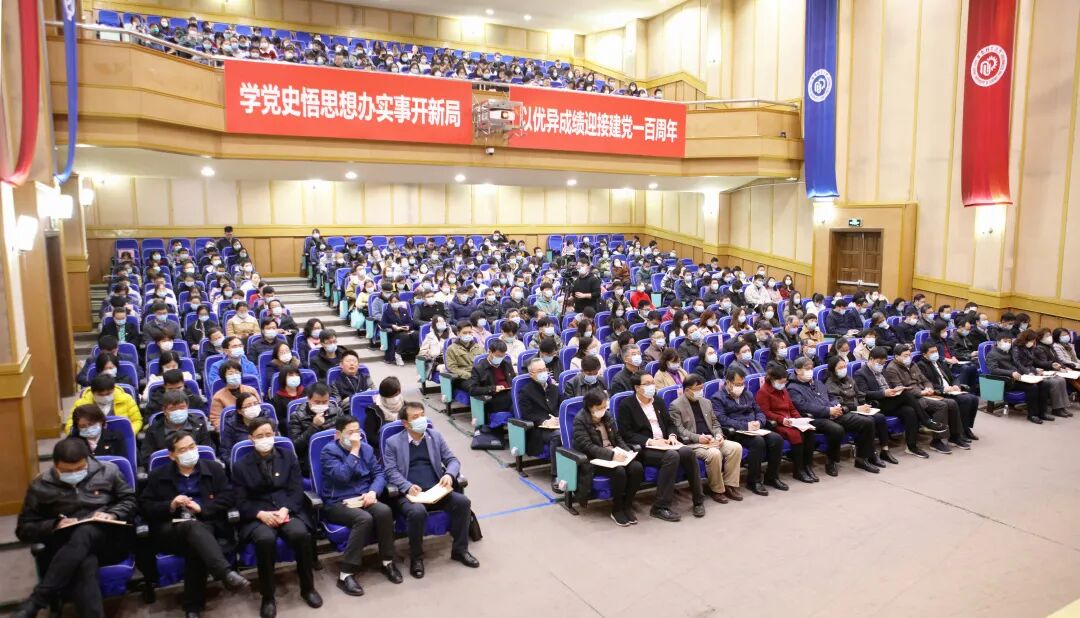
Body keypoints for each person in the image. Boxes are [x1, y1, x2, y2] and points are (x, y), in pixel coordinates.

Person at [13, 439, 137, 618]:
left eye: (79, 469)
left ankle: (37, 600)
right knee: (84, 562)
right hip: (66, 546)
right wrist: (54, 524)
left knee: (86, 531)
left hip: (108, 540)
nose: (74, 474)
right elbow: (24, 529)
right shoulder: (40, 486)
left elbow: (130, 501)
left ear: (87, 460)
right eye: (67, 471)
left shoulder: (108, 471)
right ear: (55, 465)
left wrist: (113, 514)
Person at [139, 432, 250, 616]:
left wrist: (202, 508)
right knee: (192, 528)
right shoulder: (158, 475)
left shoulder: (213, 468)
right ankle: (224, 573)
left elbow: (228, 497)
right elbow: (145, 506)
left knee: (196, 546)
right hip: (171, 530)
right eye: (183, 450)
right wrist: (171, 505)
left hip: (208, 526)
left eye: (192, 447)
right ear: (172, 455)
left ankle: (193, 608)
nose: (189, 452)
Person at [232, 419, 322, 616]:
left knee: (300, 534)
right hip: (258, 514)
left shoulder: (288, 456)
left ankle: (308, 588)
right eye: (259, 436)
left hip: (285, 509)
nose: (265, 439)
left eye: (268, 434)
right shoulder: (241, 466)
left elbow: (296, 489)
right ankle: (268, 596)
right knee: (265, 540)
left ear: (274, 434)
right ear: (251, 438)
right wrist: (260, 514)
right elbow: (240, 500)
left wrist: (285, 509)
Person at [384, 402, 478, 576]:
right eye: (415, 417)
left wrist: (449, 475)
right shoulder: (393, 443)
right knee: (417, 512)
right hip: (411, 495)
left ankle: (460, 550)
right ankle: (416, 558)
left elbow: (452, 460)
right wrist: (407, 486)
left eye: (422, 415)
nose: (421, 420)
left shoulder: (434, 436)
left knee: (463, 502)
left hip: (436, 490)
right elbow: (390, 471)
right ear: (405, 423)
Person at [318, 416, 402, 596]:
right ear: (338, 434)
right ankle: (345, 574)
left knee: (384, 511)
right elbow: (341, 477)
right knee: (363, 519)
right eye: (350, 432)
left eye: (357, 431)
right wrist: (354, 451)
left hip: (363, 497)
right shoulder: (329, 451)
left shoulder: (367, 448)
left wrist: (373, 492)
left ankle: (387, 561)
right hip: (338, 502)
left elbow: (379, 474)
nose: (356, 436)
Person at [616, 373, 706, 521]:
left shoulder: (658, 401)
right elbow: (626, 434)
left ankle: (698, 500)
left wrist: (672, 436)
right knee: (672, 456)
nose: (652, 386)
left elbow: (670, 424)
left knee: (688, 452)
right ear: (637, 387)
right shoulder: (627, 405)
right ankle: (660, 507)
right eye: (647, 383)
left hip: (666, 443)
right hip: (645, 448)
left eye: (653, 382)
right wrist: (651, 441)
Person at [787, 357, 881, 475]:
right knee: (837, 429)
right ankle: (831, 461)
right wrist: (828, 411)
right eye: (807, 369)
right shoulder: (793, 388)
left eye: (811, 368)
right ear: (797, 370)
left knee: (867, 422)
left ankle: (862, 459)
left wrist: (836, 406)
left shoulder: (817, 382)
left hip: (833, 413)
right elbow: (804, 407)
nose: (810, 371)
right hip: (814, 418)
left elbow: (831, 397)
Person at [668, 375, 743, 502]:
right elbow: (679, 430)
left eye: (702, 388)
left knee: (736, 447)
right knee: (714, 454)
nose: (700, 391)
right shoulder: (675, 405)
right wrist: (698, 438)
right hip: (693, 443)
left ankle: (730, 485)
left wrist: (718, 435)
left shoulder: (706, 402)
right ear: (687, 390)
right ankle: (717, 490)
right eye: (697, 389)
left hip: (712, 439)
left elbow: (715, 423)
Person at [883, 344, 963, 451]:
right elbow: (901, 389)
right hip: (913, 398)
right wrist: (921, 392)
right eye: (905, 355)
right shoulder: (892, 369)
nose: (908, 357)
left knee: (952, 403)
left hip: (925, 393)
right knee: (941, 405)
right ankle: (936, 441)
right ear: (897, 356)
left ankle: (955, 436)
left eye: (909, 355)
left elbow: (925, 380)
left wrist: (929, 388)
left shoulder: (913, 364)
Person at [854, 348, 926, 458]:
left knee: (909, 411)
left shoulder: (883, 370)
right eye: (879, 363)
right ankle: (926, 420)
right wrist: (883, 393)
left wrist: (896, 389)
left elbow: (890, 386)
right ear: (871, 359)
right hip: (877, 403)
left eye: (883, 363)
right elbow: (864, 393)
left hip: (890, 401)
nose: (881, 365)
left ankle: (912, 446)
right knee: (907, 395)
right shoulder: (860, 373)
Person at [825, 355, 899, 464]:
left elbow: (859, 394)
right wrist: (857, 408)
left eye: (844, 366)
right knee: (869, 421)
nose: (843, 369)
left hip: (858, 408)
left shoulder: (849, 379)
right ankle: (870, 454)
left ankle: (885, 450)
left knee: (880, 417)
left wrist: (865, 405)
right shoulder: (830, 384)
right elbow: (838, 403)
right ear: (833, 369)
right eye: (840, 367)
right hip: (846, 411)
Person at [755, 364, 818, 483]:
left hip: (790, 421)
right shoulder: (763, 392)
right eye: (781, 382)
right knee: (796, 434)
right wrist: (781, 420)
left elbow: (791, 408)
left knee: (808, 430)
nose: (783, 384)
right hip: (777, 424)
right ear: (773, 379)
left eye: (785, 382)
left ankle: (807, 466)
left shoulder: (783, 390)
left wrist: (799, 419)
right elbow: (765, 413)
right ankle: (798, 470)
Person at [917, 342, 981, 442]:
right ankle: (960, 431)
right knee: (966, 400)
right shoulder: (921, 365)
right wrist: (943, 388)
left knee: (974, 398)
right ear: (925, 354)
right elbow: (927, 383)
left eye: (936, 351)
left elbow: (953, 377)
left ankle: (966, 428)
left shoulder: (940, 362)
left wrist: (956, 385)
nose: (935, 353)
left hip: (951, 390)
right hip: (939, 392)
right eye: (932, 352)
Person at [140, 390, 212, 467]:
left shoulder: (199, 425)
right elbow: (147, 459)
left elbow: (207, 452)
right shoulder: (153, 430)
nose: (178, 411)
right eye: (172, 409)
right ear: (164, 410)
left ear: (187, 406)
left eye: (181, 407)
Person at [288, 383, 347, 474]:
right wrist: (314, 426)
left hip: (336, 454)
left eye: (325, 402)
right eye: (317, 402)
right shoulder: (297, 416)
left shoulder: (337, 411)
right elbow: (295, 446)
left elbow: (345, 434)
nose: (321, 405)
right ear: (308, 399)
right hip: (310, 458)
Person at [1013, 330, 1071, 420]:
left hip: (1032, 372)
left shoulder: (1031, 348)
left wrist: (1036, 370)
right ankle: (1034, 414)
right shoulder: (1016, 348)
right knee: (1037, 386)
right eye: (1032, 340)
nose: (1033, 343)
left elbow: (1032, 363)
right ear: (1025, 339)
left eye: (1034, 341)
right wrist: (1030, 371)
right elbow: (1018, 364)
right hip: (1022, 374)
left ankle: (1043, 412)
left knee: (1048, 383)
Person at [517, 357, 563, 460]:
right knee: (559, 435)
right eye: (539, 371)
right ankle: (556, 469)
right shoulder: (525, 391)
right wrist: (544, 422)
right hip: (539, 429)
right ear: (531, 374)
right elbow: (526, 414)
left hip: (557, 424)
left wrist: (560, 418)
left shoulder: (554, 388)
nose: (543, 373)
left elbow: (562, 406)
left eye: (544, 370)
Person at [67, 374, 143, 434]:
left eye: (108, 394)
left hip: (121, 438)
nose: (105, 397)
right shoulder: (81, 404)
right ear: (93, 393)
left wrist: (129, 433)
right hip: (89, 438)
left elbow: (137, 420)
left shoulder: (126, 399)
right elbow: (70, 426)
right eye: (101, 395)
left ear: (113, 390)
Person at [467, 338, 515, 419]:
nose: (500, 358)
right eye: (498, 356)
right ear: (490, 352)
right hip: (493, 398)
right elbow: (472, 390)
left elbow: (513, 381)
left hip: (509, 394)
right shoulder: (479, 368)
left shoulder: (507, 363)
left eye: (502, 356)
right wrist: (493, 389)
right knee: (517, 402)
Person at [209, 360, 261, 430]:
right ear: (224, 376)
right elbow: (216, 419)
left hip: (255, 426)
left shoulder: (251, 390)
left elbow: (260, 408)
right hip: (231, 430)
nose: (234, 375)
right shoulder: (218, 397)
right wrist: (225, 431)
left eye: (237, 372)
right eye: (230, 373)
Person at [364, 377, 404, 455]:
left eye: (396, 394)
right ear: (383, 396)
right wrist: (389, 445)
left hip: (404, 444)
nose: (395, 399)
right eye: (391, 397)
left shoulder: (405, 406)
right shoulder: (373, 411)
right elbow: (370, 437)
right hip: (384, 447)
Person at [380, 293, 412, 366]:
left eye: (397, 301)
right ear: (390, 302)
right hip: (394, 333)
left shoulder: (403, 310)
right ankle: (397, 354)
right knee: (405, 336)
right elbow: (382, 324)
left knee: (416, 334)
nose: (396, 303)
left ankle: (418, 356)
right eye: (394, 302)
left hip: (405, 330)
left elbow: (410, 322)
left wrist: (408, 326)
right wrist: (392, 326)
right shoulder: (387, 312)